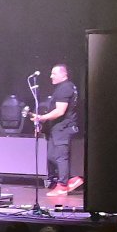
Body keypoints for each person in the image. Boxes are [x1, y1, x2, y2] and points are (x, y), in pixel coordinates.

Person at [25, 63, 81, 196]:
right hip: (57, 128)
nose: (51, 76)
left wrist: (42, 117)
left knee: (61, 157)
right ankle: (71, 179)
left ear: (64, 74)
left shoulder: (65, 88)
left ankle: (62, 186)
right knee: (51, 156)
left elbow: (60, 111)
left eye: (54, 73)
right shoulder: (64, 88)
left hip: (63, 128)